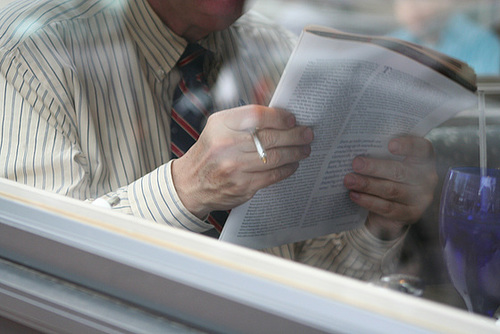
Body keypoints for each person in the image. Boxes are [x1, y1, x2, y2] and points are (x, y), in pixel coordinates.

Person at [0, 0, 437, 281]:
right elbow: (31, 274)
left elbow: (314, 280)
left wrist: (380, 221)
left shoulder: (280, 52)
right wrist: (186, 189)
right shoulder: (34, 55)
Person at [391, 0, 500, 76]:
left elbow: (487, 97)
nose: (411, 11)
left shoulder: (482, 42)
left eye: (419, 1)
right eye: (404, 3)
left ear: (445, 2)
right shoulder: (392, 43)